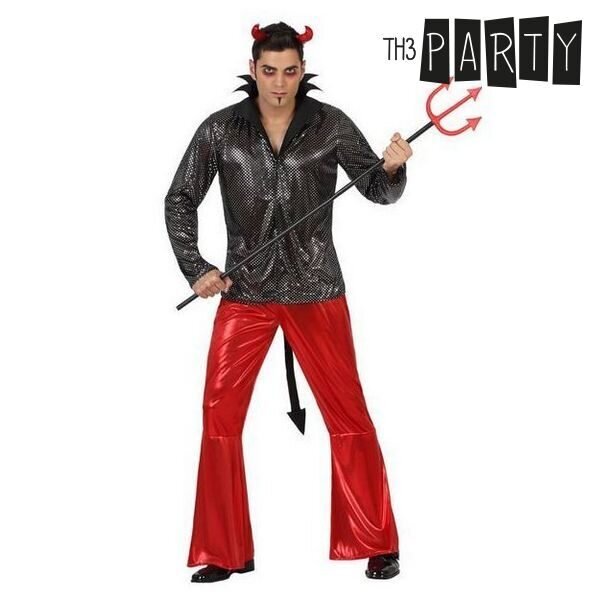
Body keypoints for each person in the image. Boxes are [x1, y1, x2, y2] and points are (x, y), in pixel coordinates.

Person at [164, 21, 412, 582]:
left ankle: (376, 541)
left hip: (315, 287)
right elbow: (180, 198)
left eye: (290, 71)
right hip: (246, 292)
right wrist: (196, 268)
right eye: (270, 71)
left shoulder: (330, 124)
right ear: (253, 70)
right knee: (218, 416)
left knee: (348, 413)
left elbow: (376, 188)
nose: (279, 82)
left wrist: (394, 166)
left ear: (303, 72)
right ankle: (224, 550)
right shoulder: (220, 129)